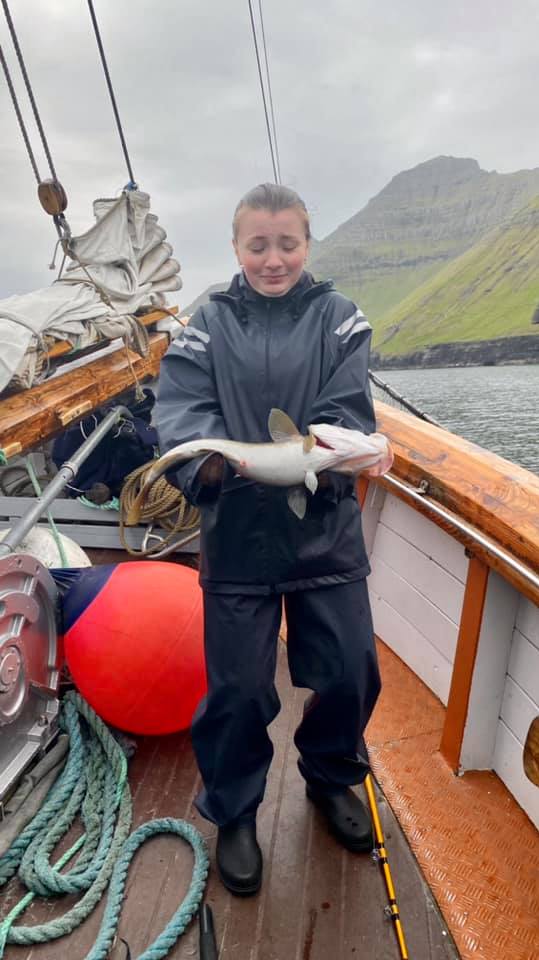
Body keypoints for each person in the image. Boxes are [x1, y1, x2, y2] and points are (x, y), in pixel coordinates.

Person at [156, 183, 385, 896]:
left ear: (308, 244)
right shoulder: (205, 323)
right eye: (258, 245)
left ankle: (330, 776)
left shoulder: (340, 318)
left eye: (288, 243)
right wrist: (208, 464)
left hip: (325, 531)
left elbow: (347, 410)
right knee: (239, 689)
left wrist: (330, 455)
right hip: (238, 538)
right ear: (236, 247)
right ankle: (234, 811)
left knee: (351, 671)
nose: (274, 258)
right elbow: (182, 409)